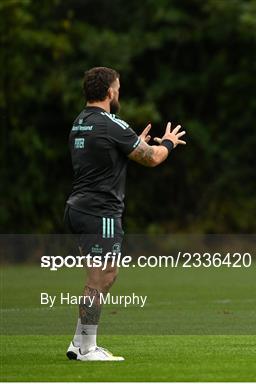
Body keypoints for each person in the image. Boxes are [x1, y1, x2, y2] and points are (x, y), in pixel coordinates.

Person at [64, 67, 186, 361]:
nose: (118, 92)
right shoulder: (111, 123)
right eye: (117, 88)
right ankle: (86, 348)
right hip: (101, 213)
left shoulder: (80, 123)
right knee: (102, 276)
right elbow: (153, 158)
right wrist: (167, 142)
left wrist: (133, 141)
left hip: (77, 208)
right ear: (109, 92)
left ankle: (79, 342)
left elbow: (105, 158)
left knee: (99, 276)